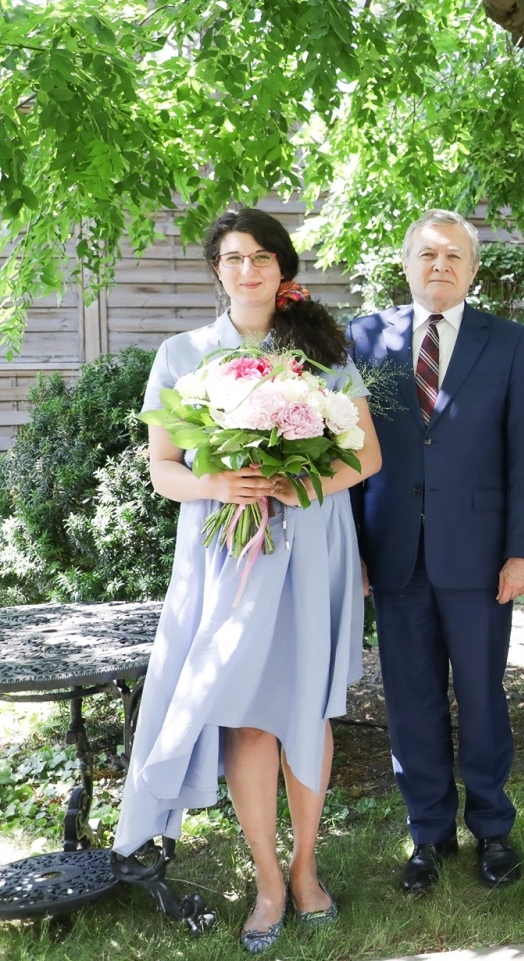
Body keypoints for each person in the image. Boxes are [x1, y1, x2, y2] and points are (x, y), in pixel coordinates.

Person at [115, 207, 382, 952]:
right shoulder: (182, 353)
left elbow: (366, 458)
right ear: (217, 271)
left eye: (262, 257)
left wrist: (294, 487)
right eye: (234, 258)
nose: (248, 270)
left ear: (282, 269)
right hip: (226, 553)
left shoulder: (323, 351)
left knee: (308, 706)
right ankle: (267, 880)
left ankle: (306, 870)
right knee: (245, 713)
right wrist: (221, 487)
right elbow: (165, 470)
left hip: (312, 545)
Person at [347, 210, 524, 893]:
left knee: (483, 699)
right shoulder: (365, 339)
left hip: (480, 555)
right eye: (427, 255)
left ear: (472, 269)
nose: (440, 266)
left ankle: (493, 829)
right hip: (393, 553)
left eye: (454, 256)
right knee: (411, 701)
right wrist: (355, 552)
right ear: (407, 264)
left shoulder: (509, 341)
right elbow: (348, 451)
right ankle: (429, 836)